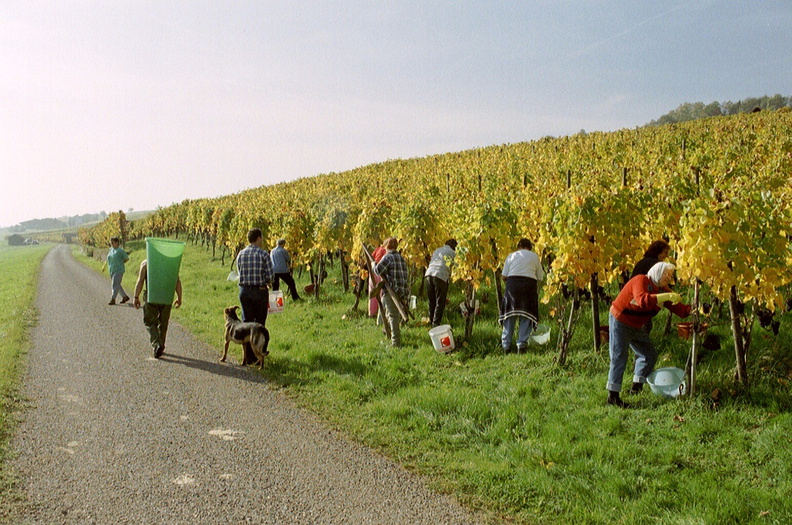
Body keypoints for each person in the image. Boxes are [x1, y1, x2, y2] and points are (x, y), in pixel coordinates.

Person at [606, 262, 691, 408]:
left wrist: (696, 310)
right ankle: (613, 397)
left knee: (648, 354)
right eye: (666, 274)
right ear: (658, 272)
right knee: (619, 356)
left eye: (670, 275)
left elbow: (680, 310)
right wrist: (666, 296)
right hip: (620, 321)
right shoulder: (641, 280)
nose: (669, 278)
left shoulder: (661, 290)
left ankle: (636, 387)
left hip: (635, 325)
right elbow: (643, 300)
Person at [235, 228, 274, 364]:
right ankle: (259, 354)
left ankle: (248, 356)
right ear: (258, 238)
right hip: (260, 291)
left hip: (244, 291)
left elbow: (239, 271)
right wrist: (268, 282)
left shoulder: (241, 254)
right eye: (261, 238)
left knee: (246, 324)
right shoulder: (263, 255)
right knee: (259, 324)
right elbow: (270, 275)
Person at [499, 238, 544, 353]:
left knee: (509, 316)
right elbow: (540, 277)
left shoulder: (511, 256)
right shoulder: (534, 257)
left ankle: (506, 346)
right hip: (529, 287)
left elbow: (504, 276)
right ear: (530, 247)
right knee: (526, 316)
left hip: (512, 286)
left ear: (518, 246)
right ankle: (521, 346)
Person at [133, 259, 182, 358]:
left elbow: (140, 281)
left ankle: (157, 344)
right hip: (166, 296)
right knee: (163, 322)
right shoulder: (170, 263)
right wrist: (179, 297)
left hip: (152, 296)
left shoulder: (146, 264)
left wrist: (136, 297)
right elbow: (176, 280)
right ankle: (161, 345)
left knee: (150, 321)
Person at [374, 237, 410, 347]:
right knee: (389, 311)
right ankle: (387, 330)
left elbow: (377, 270)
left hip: (392, 290)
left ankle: (395, 342)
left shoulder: (388, 257)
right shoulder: (401, 257)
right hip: (401, 290)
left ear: (386, 246)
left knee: (393, 315)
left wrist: (373, 265)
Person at [630, 240, 671, 333]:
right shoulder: (655, 265)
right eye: (665, 252)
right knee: (643, 327)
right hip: (641, 300)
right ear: (658, 251)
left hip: (633, 297)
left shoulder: (643, 261)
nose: (666, 256)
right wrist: (669, 294)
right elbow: (660, 284)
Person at [425, 239, 457, 327]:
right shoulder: (452, 253)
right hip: (440, 275)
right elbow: (457, 266)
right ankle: (436, 324)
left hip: (429, 274)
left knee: (432, 300)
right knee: (440, 301)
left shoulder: (437, 250)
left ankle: (431, 321)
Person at [106, 237, 130, 305]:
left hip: (119, 270)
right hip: (112, 270)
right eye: (111, 243)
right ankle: (125, 297)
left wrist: (121, 263)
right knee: (117, 285)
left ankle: (113, 299)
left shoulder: (120, 251)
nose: (112, 244)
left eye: (113, 242)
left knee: (114, 284)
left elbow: (126, 258)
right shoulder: (110, 250)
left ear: (117, 243)